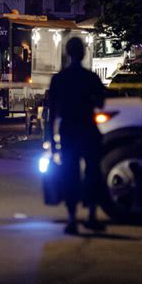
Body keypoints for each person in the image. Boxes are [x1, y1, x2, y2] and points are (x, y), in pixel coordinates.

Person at [48, 37, 106, 235]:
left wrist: (51, 140)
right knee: (92, 172)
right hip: (88, 129)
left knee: (70, 173)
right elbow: (101, 103)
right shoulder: (91, 78)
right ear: (83, 54)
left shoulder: (59, 79)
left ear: (68, 53)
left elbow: (52, 113)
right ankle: (91, 215)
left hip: (68, 131)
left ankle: (72, 219)